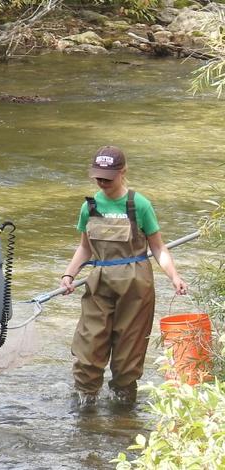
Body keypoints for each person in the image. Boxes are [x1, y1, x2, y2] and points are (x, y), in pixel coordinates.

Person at [59, 146, 188, 408]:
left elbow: (158, 247)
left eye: (108, 177)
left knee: (127, 354)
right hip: (100, 283)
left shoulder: (139, 204)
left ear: (123, 172)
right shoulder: (89, 206)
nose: (103, 182)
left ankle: (123, 408)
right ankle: (86, 408)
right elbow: (85, 247)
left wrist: (174, 276)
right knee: (88, 348)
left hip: (135, 285)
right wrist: (69, 274)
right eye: (98, 177)